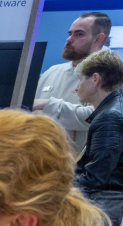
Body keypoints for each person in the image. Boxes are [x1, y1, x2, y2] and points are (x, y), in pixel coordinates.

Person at [33, 11, 111, 155]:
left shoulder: (111, 75)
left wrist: (48, 104)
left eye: (79, 34)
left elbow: (99, 117)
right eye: (70, 34)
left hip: (79, 165)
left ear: (98, 39)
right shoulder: (51, 72)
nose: (69, 39)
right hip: (37, 161)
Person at [74, 49, 123, 226]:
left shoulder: (109, 117)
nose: (77, 88)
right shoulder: (114, 109)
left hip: (102, 205)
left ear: (95, 79)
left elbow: (95, 178)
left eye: (80, 80)